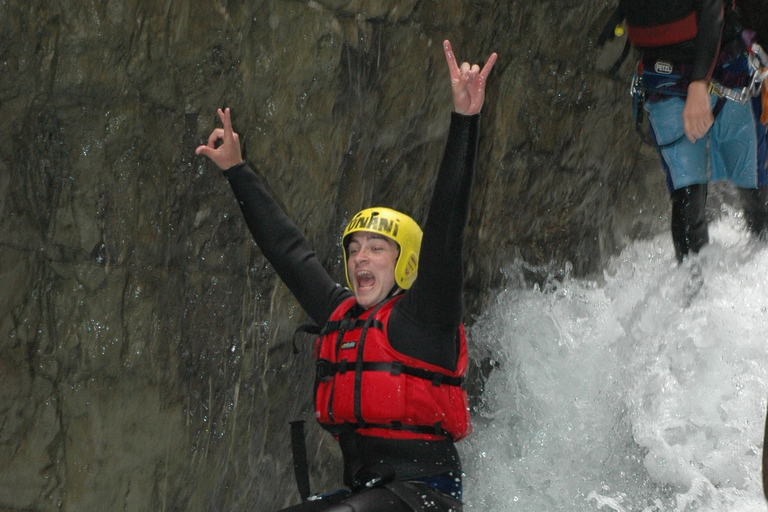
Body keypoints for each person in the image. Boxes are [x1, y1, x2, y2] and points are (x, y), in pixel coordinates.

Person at [195, 40, 497, 512]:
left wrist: (464, 121)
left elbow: (446, 231)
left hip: (425, 496)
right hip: (369, 494)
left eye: (377, 249)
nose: (361, 259)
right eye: (354, 249)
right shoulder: (341, 316)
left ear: (406, 263)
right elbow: (289, 253)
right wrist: (236, 170)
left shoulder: (426, 316)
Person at [616, 0, 768, 262]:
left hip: (727, 69)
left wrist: (699, 83)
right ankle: (691, 291)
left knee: (755, 190)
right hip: (666, 77)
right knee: (687, 199)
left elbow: (712, 10)